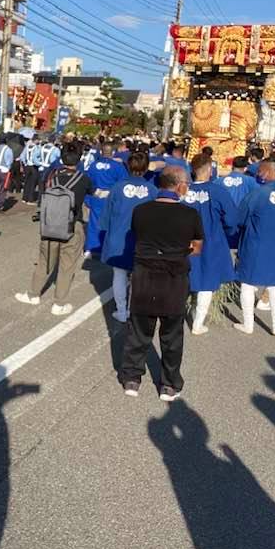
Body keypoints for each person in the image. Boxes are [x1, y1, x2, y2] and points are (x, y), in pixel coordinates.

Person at [118, 166, 203, 401]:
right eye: (186, 183)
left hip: (144, 275)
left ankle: (131, 378)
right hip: (174, 278)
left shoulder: (141, 210)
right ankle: (168, 383)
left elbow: (138, 235)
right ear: (179, 185)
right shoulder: (190, 214)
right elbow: (197, 248)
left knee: (139, 330)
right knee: (172, 334)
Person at [15, 143, 92, 316]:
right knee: (67, 265)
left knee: (44, 261)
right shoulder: (83, 179)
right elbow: (92, 193)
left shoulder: (51, 175)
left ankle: (33, 294)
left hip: (50, 223)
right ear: (79, 159)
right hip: (73, 224)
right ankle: (59, 304)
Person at [234, 160, 275, 336]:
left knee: (247, 283)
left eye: (261, 171)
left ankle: (248, 325)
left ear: (268, 172)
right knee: (274, 284)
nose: (258, 174)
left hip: (256, 243)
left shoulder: (258, 193)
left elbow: (240, 218)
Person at [99, 151, 158, 323]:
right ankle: (135, 310)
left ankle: (122, 311)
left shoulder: (117, 187)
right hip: (143, 239)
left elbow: (106, 217)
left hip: (118, 236)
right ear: (147, 167)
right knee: (139, 277)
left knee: (119, 274)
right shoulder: (152, 190)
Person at [185, 155, 238, 335]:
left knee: (181, 275)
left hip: (183, 239)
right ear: (209, 170)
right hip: (211, 240)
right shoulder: (218, 191)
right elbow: (231, 219)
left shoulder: (182, 189)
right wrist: (227, 232)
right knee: (206, 281)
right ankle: (198, 323)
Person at [83, 145, 129, 257]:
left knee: (93, 223)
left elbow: (87, 182)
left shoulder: (93, 166)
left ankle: (90, 249)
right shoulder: (118, 167)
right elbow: (123, 183)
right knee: (111, 224)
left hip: (96, 196)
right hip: (111, 198)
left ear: (101, 152)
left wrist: (87, 198)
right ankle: (106, 248)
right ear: (112, 152)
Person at [20, 135, 42, 204]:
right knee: (33, 184)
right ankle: (30, 199)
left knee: (26, 183)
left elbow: (22, 156)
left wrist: (25, 163)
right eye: (38, 140)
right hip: (34, 167)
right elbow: (35, 157)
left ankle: (24, 198)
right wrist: (39, 163)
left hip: (27, 167)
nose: (39, 141)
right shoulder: (36, 147)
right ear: (36, 140)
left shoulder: (27, 146)